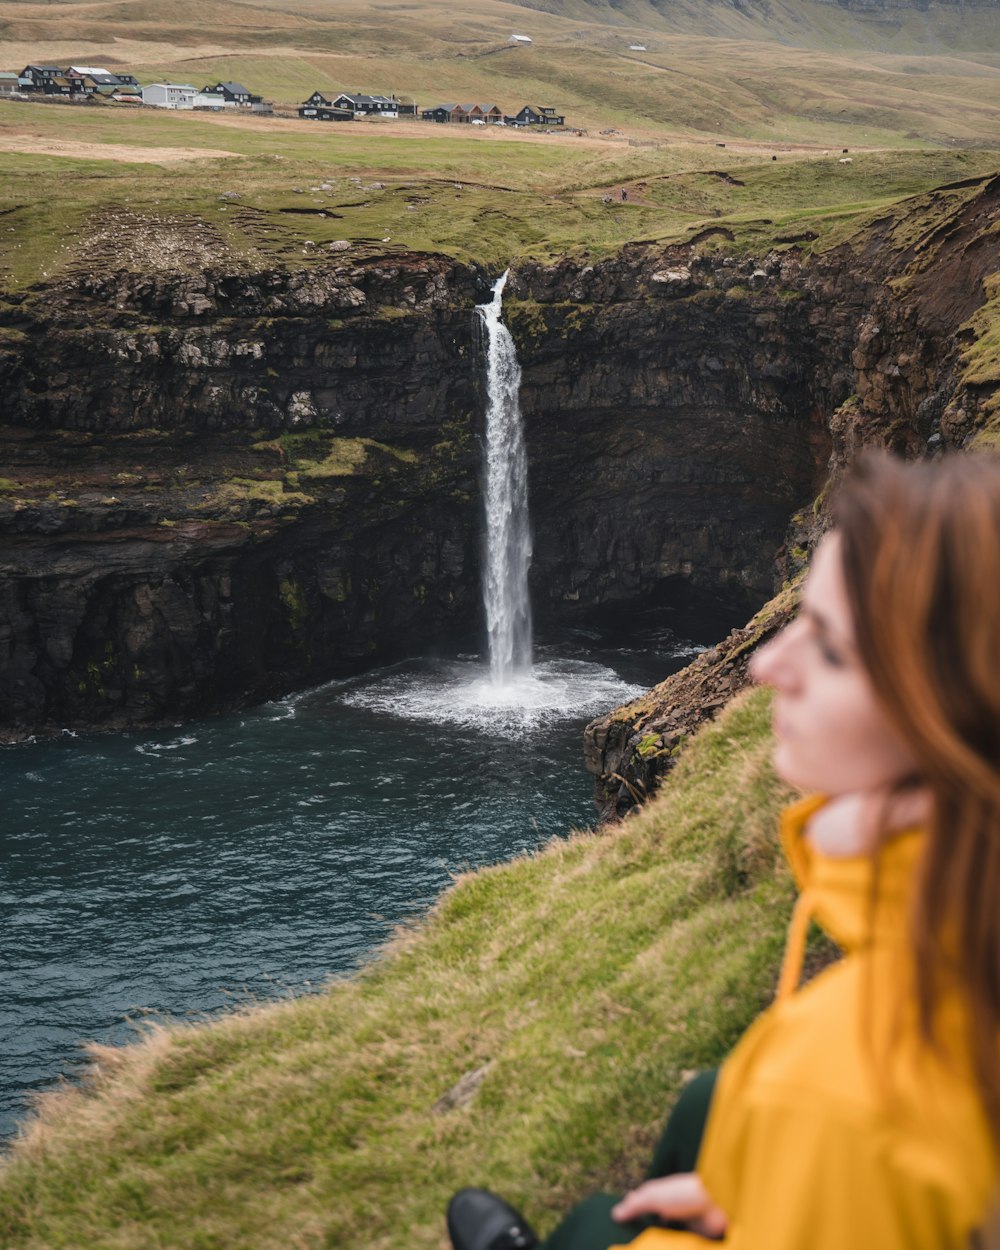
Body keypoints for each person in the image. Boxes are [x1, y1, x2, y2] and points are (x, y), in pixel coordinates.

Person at [447, 452, 1000, 1250]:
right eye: (797, 619)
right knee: (707, 1103)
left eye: (835, 650)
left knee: (597, 1226)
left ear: (956, 722)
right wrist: (767, 1190)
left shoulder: (841, 1087)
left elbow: (856, 1136)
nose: (768, 664)